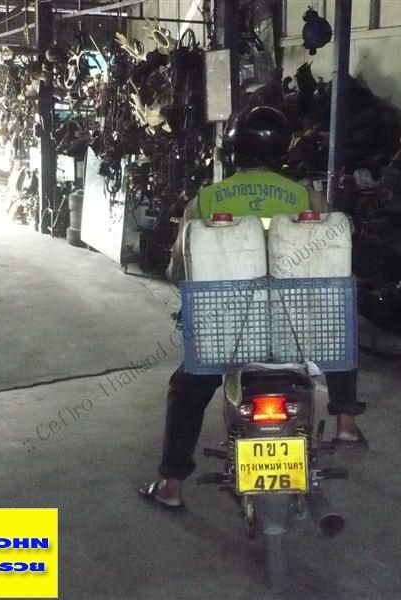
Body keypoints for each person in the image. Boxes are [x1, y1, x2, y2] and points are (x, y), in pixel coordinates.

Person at [138, 104, 367, 510]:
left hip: (229, 335)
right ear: (282, 152)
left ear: (233, 150)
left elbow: (179, 269)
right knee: (335, 325)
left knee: (186, 390)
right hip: (295, 332)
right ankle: (346, 421)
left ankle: (171, 485)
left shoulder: (206, 200)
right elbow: (329, 267)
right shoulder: (306, 197)